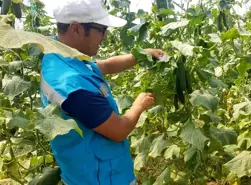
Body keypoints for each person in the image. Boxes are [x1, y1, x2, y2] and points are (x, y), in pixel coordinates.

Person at [39, 0, 165, 184]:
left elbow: (104, 66)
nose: (105, 37)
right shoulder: (72, 85)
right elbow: (119, 130)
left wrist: (141, 54)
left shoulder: (63, 56)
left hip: (94, 168)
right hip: (100, 177)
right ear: (76, 29)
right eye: (102, 30)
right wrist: (139, 105)